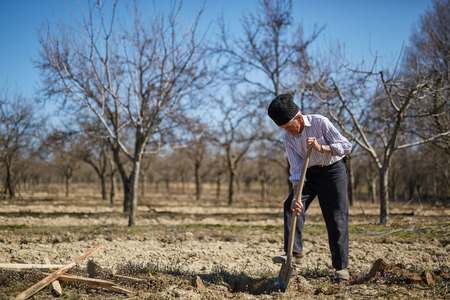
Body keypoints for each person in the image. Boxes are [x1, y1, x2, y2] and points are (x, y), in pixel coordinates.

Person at [267, 93, 352, 280]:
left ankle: (341, 268)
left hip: (333, 171)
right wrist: (297, 194)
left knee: (336, 217)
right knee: (291, 206)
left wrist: (323, 148)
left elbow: (346, 146)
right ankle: (295, 256)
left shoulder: (320, 122)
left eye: (290, 127)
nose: (288, 132)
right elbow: (296, 168)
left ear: (298, 118)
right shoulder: (287, 139)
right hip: (309, 174)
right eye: (284, 129)